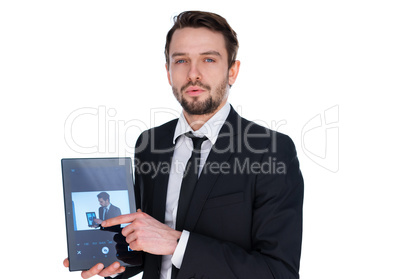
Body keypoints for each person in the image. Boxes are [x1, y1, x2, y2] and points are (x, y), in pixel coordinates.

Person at [64, 10, 304, 279]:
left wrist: (178, 244)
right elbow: (148, 250)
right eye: (181, 61)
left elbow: (278, 272)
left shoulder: (271, 150)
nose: (193, 74)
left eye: (209, 59)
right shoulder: (150, 143)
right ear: (168, 72)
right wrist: (117, 262)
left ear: (232, 71)